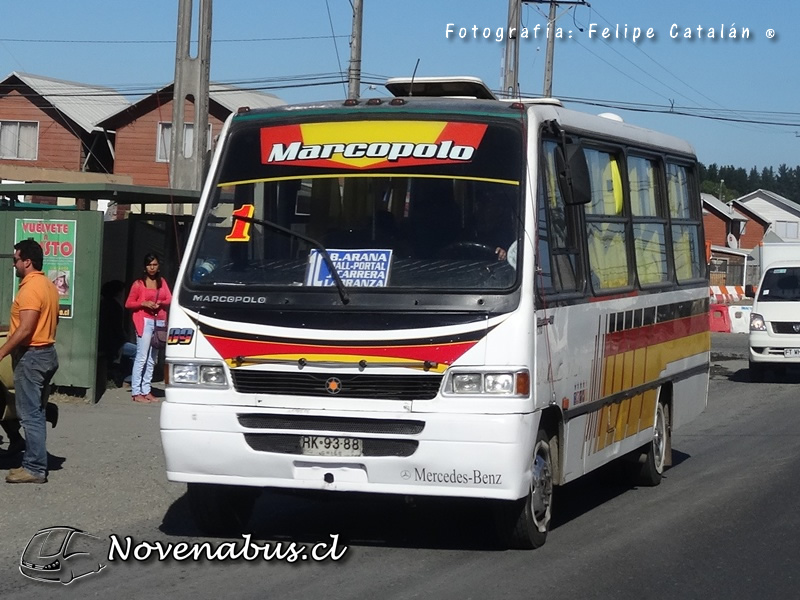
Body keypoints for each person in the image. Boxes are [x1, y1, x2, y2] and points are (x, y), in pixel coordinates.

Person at [0, 239, 60, 484]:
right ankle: (28, 453)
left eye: (15, 260)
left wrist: (2, 350)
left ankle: (34, 467)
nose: (14, 265)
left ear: (27, 261)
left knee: (30, 415)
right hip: (47, 353)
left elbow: (25, 329)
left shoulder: (30, 289)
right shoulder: (47, 286)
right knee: (36, 411)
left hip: (32, 356)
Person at [125, 253, 171, 404]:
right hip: (143, 321)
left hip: (159, 321)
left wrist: (160, 302)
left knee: (153, 358)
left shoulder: (162, 282)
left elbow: (169, 298)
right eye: (149, 265)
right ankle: (136, 391)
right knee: (142, 356)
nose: (152, 268)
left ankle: (146, 389)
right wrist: (143, 303)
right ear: (145, 267)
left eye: (155, 265)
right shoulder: (138, 284)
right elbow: (129, 303)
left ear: (158, 266)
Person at [98, 280, 136, 387]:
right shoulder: (115, 307)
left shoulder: (102, 303)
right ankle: (129, 378)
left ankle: (121, 376)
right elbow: (117, 329)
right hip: (114, 343)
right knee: (137, 352)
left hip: (106, 341)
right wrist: (125, 339)